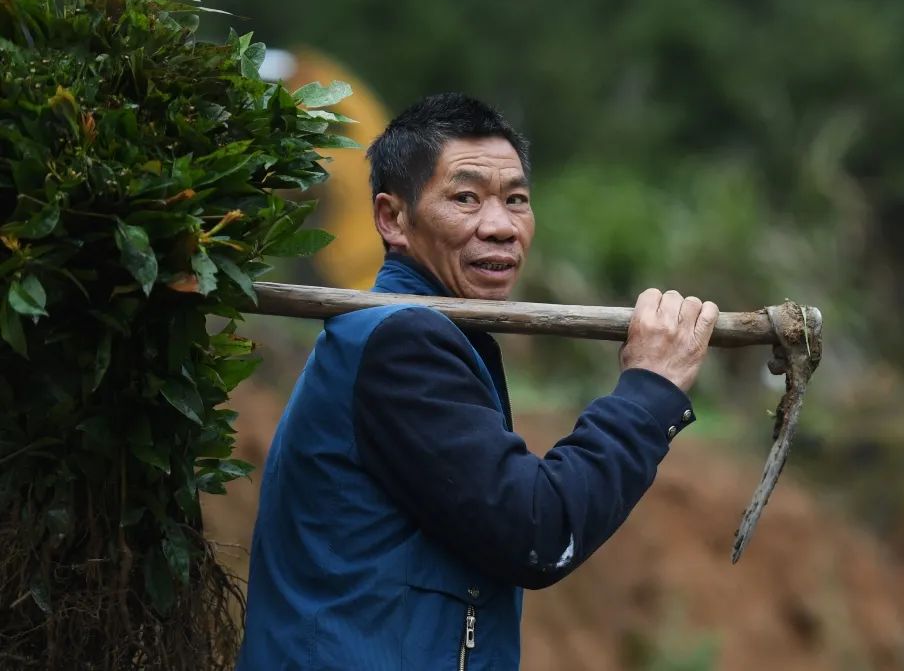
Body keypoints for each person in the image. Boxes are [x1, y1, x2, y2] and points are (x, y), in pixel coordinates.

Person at [237, 93, 720, 670]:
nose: (500, 227)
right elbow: (538, 531)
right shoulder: (401, 342)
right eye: (465, 198)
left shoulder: (416, 334)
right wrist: (649, 389)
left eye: (516, 200)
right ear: (393, 219)